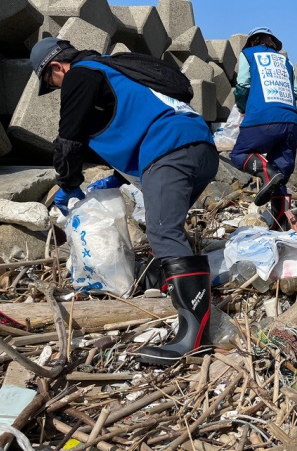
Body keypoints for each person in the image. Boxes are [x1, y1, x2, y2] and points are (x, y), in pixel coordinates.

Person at [30, 37, 219, 365]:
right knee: (167, 227)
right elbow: (134, 121)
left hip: (169, 147)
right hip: (200, 146)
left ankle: (194, 337)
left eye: (52, 82)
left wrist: (69, 185)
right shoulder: (111, 71)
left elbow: (68, 141)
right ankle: (170, 285)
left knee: (162, 232)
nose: (58, 87)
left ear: (56, 67)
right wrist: (117, 179)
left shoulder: (80, 74)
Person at [229, 27, 297, 231]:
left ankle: (265, 173)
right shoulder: (286, 61)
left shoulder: (248, 54)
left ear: (252, 41)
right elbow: (295, 91)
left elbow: (242, 85)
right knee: (280, 175)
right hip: (291, 122)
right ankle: (281, 223)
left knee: (239, 154)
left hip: (261, 118)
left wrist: (243, 108)